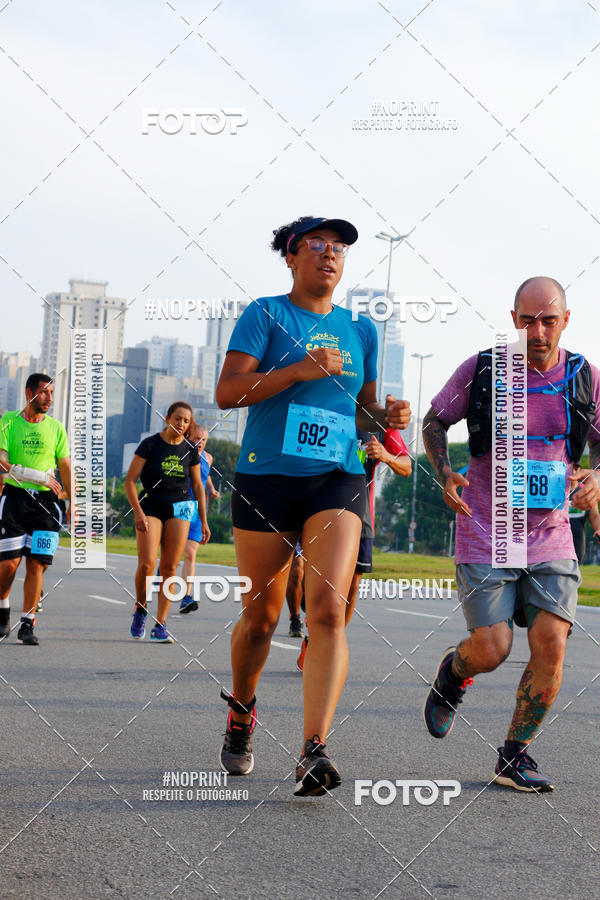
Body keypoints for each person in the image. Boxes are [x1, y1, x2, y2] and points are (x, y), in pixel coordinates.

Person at [215, 215, 411, 796]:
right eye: (317, 245)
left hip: (337, 478)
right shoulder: (265, 315)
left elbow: (364, 413)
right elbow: (227, 392)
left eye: (339, 249)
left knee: (326, 610)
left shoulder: (361, 331)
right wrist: (300, 370)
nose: (330, 255)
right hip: (267, 478)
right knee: (261, 619)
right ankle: (242, 709)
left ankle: (313, 749)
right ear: (291, 256)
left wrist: (388, 416)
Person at [421, 276, 600, 792]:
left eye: (549, 321)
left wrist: (595, 476)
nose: (537, 332)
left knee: (551, 643)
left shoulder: (585, 377)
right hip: (486, 531)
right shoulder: (482, 370)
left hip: (551, 534)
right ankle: (454, 672)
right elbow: (434, 423)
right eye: (527, 321)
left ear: (566, 320)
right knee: (492, 648)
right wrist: (445, 472)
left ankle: (514, 754)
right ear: (513, 319)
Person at [296, 428, 411, 670]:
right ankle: (316, 627)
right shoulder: (328, 410)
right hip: (320, 510)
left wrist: (385, 456)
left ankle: (325, 641)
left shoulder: (381, 425)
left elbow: (406, 466)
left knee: (352, 585)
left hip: (361, 516)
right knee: (320, 581)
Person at [125, 402, 210, 643]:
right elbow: (130, 481)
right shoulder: (150, 445)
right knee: (147, 564)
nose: (181, 424)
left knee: (170, 567)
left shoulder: (190, 450)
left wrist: (204, 521)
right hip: (151, 505)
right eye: (178, 418)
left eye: (186, 421)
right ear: (167, 418)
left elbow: (197, 486)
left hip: (180, 506)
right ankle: (141, 608)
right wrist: (138, 513)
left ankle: (160, 624)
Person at [0, 374, 71, 645]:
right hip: (15, 499)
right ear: (29, 393)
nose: (49, 398)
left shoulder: (56, 428)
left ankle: (27, 624)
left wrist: (73, 502)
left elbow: (65, 466)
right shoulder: (9, 420)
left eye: (52, 393)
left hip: (47, 504)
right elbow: (2, 461)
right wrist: (37, 476)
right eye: (44, 392)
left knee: (37, 564)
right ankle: (2, 605)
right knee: (8, 565)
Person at [179, 423, 220, 613]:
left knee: (190, 552)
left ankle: (186, 597)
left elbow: (205, 475)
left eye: (203, 439)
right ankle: (164, 570)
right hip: (180, 505)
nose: (200, 442)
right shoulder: (182, 454)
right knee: (174, 553)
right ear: (189, 437)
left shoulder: (208, 458)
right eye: (196, 438)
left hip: (198, 508)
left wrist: (211, 489)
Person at [568, 464, 600, 563]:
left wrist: (599, 529)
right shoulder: (555, 491)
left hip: (578, 546)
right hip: (557, 547)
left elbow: (594, 516)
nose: (573, 472)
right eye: (569, 468)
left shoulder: (587, 491)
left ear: (580, 470)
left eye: (576, 468)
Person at [285, 541, 305, 638]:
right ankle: (295, 618)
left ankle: (303, 590)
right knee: (296, 571)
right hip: (294, 535)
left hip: (319, 535)